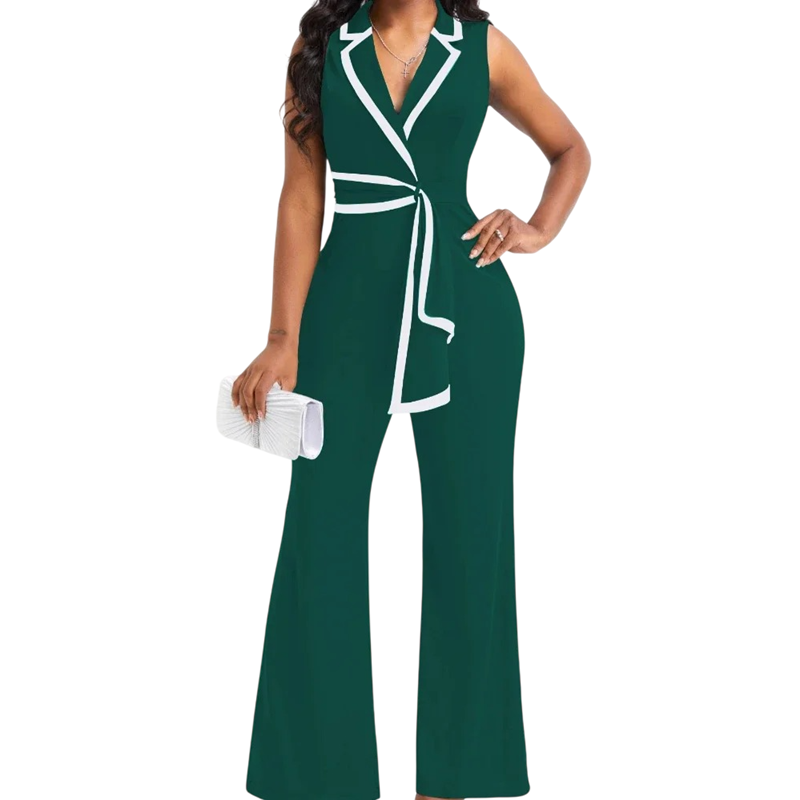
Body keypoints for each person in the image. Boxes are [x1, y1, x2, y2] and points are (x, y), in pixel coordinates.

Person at [232, 1, 590, 798]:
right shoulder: (323, 46)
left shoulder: (483, 48)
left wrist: (537, 227)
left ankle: (454, 780)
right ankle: (322, 779)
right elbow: (302, 195)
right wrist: (283, 336)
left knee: (472, 541)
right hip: (343, 315)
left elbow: (569, 149)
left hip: (470, 312)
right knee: (319, 534)